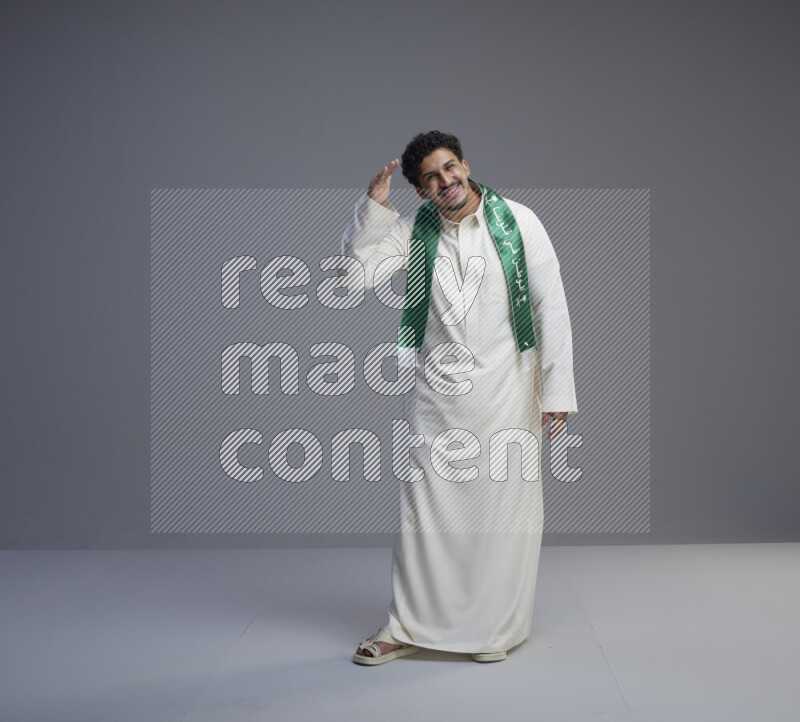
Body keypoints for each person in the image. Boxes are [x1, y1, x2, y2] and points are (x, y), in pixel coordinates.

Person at [343, 131, 578, 665]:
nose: (445, 180)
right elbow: (354, 278)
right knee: (425, 516)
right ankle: (407, 626)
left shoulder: (519, 222)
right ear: (421, 191)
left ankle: (492, 629)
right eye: (431, 177)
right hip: (436, 394)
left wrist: (557, 388)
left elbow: (551, 306)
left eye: (450, 167)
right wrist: (372, 210)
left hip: (509, 389)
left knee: (503, 513)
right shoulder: (411, 231)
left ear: (465, 166)